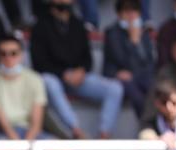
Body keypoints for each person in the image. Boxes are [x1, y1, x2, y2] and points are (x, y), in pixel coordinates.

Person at [31, 0, 123, 139]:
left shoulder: (77, 24)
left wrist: (81, 71)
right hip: (54, 78)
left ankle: (105, 134)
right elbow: (39, 64)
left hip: (78, 78)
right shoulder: (40, 26)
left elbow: (88, 59)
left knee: (115, 88)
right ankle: (77, 130)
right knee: (49, 82)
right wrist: (63, 74)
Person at [103, 0, 155, 119]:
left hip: (140, 75)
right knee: (136, 94)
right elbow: (123, 62)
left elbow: (150, 61)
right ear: (119, 14)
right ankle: (147, 124)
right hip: (118, 75)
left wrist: (137, 41)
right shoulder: (112, 33)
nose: (131, 16)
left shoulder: (144, 33)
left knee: (155, 89)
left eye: (134, 11)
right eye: (127, 11)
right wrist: (133, 43)